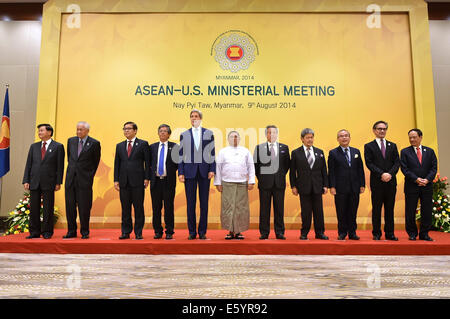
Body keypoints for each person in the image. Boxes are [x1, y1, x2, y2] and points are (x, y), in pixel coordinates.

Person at [22, 124, 65, 239]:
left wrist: (58, 182)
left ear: (49, 132)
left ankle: (47, 232)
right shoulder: (34, 146)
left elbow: (60, 166)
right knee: (34, 209)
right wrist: (26, 180)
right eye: (38, 131)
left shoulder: (58, 146)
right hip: (34, 181)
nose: (39, 133)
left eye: (41, 130)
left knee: (48, 208)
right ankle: (34, 232)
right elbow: (29, 165)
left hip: (49, 181)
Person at [178, 109, 215, 240]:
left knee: (204, 203)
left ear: (201, 118)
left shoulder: (209, 133)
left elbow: (212, 153)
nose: (194, 118)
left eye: (196, 116)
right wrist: (180, 172)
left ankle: (203, 232)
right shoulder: (184, 134)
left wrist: (212, 169)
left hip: (205, 172)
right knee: (191, 203)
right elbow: (181, 154)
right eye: (192, 116)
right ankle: (192, 232)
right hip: (189, 172)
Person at [289, 128, 329, 240]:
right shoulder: (296, 153)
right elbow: (292, 172)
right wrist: (293, 186)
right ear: (302, 139)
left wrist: (326, 185)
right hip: (303, 187)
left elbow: (324, 170)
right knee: (306, 212)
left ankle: (320, 233)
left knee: (319, 212)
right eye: (307, 137)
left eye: (311, 137)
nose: (310, 140)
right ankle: (304, 233)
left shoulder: (319, 152)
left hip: (317, 186)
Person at [215, 131, 255, 240]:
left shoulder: (245, 151)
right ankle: (230, 231)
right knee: (228, 207)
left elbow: (251, 167)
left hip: (242, 183)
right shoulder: (223, 152)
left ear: (240, 139)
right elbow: (218, 168)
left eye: (236, 137)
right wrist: (218, 183)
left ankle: (238, 231)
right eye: (232, 137)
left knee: (240, 208)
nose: (234, 139)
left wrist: (251, 181)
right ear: (228, 139)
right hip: (227, 183)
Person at [64, 121, 101, 239]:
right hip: (70, 179)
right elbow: (70, 158)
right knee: (70, 207)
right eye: (77, 129)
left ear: (87, 131)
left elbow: (95, 162)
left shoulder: (94, 143)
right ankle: (71, 231)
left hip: (85, 180)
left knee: (84, 207)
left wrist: (89, 175)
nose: (78, 131)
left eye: (81, 129)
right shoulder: (71, 141)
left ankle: (84, 231)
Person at [364, 120, 400, 241]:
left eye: (384, 129)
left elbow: (396, 163)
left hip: (390, 182)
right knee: (377, 209)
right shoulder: (369, 146)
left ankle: (390, 233)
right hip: (377, 183)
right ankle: (377, 233)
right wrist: (382, 174)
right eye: (379, 129)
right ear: (374, 131)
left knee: (390, 209)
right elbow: (369, 163)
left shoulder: (393, 145)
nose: (382, 131)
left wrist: (389, 174)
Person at [114, 121, 150, 240]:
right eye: (124, 129)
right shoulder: (119, 145)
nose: (126, 131)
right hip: (123, 181)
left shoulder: (143, 144)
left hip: (138, 181)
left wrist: (147, 178)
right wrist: (116, 180)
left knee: (138, 207)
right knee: (125, 208)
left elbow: (147, 163)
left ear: (135, 131)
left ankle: (138, 232)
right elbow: (117, 164)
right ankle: (125, 232)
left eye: (129, 129)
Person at [253, 125, 290, 240]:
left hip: (279, 183)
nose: (271, 135)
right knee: (264, 209)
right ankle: (264, 232)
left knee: (279, 209)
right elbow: (256, 166)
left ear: (277, 134)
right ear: (266, 134)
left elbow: (287, 165)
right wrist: (263, 178)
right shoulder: (259, 148)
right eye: (269, 133)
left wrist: (279, 175)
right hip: (265, 183)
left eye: (274, 133)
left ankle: (279, 232)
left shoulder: (284, 147)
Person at [400, 128, 437, 241]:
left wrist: (427, 179)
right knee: (410, 211)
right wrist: (416, 179)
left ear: (420, 137)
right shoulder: (405, 152)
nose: (412, 139)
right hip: (412, 186)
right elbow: (404, 169)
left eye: (414, 137)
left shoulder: (429, 151)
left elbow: (433, 168)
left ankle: (424, 233)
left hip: (427, 186)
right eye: (410, 137)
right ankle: (412, 233)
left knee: (426, 210)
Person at [328, 129, 365, 240]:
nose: (344, 138)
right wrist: (332, 186)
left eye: (346, 136)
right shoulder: (333, 153)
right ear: (338, 139)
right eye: (341, 136)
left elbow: (360, 169)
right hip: (340, 188)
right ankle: (342, 233)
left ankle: (352, 233)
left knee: (353, 211)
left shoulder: (356, 151)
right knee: (341, 211)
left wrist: (362, 184)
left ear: (349, 137)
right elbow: (331, 171)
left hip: (354, 187)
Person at [149, 124, 179, 240]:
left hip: (168, 181)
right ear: (158, 133)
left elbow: (177, 164)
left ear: (169, 134)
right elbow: (148, 164)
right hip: (155, 182)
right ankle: (157, 231)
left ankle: (169, 231)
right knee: (156, 208)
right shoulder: (152, 147)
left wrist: (169, 171)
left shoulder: (175, 147)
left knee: (169, 207)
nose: (162, 133)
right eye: (160, 131)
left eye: (165, 131)